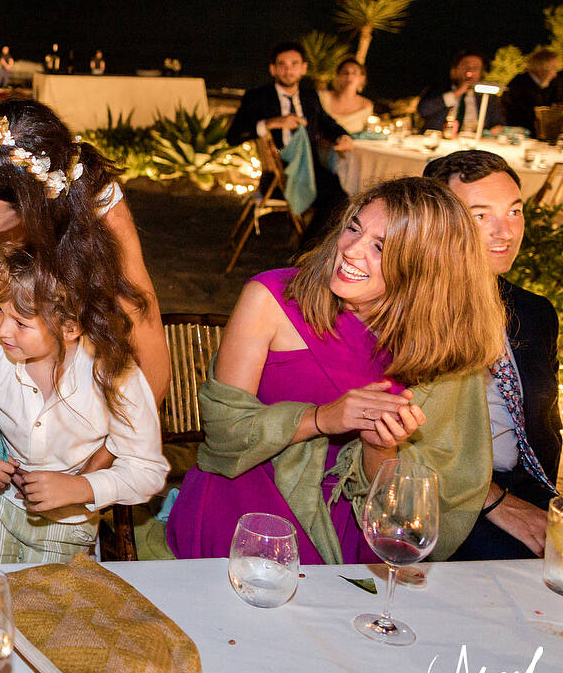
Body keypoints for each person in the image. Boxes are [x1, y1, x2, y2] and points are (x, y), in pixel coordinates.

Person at [166, 177, 502, 563]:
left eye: (380, 247)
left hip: (349, 517)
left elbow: (413, 500)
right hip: (245, 496)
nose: (352, 250)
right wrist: (323, 419)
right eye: (354, 228)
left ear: (424, 267)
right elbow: (223, 433)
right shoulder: (270, 299)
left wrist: (380, 446)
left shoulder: (437, 347)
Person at [0, 98, 169, 400]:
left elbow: (141, 317)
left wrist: (139, 438)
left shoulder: (93, 203)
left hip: (34, 319)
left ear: (32, 211)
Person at [0, 244, 166, 564]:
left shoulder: (114, 376)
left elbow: (146, 470)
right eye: (0, 310)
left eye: (21, 322)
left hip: (70, 527)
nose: (2, 329)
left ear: (70, 327)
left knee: (50, 611)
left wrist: (81, 488)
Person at [423, 150, 561, 558]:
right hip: (443, 496)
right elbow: (407, 447)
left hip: (527, 488)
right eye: (480, 216)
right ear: (438, 223)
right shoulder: (407, 311)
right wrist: (498, 502)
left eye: (514, 211)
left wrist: (538, 505)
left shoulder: (533, 312)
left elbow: (541, 426)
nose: (506, 232)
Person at [226, 41, 354, 246]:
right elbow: (233, 136)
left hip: (310, 171)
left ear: (303, 68)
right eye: (282, 64)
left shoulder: (309, 96)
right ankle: (305, 256)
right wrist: (273, 123)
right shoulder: (258, 97)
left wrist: (342, 136)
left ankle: (308, 249)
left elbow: (327, 123)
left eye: (294, 64)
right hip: (278, 176)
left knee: (341, 198)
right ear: (273, 69)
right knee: (335, 199)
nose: (288, 70)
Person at [417, 51, 488, 133]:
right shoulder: (439, 89)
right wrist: (458, 92)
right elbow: (423, 110)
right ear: (454, 70)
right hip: (441, 140)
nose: (470, 70)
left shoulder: (487, 96)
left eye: (475, 67)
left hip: (473, 141)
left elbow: (498, 123)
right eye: (465, 66)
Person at [503, 48, 562, 130]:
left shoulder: (551, 85)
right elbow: (517, 117)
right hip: (521, 136)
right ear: (541, 68)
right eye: (553, 68)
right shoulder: (518, 85)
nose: (555, 74)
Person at [319, 57, 374, 135]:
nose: (349, 76)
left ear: (361, 78)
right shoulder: (323, 97)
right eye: (345, 73)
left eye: (354, 73)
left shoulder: (366, 105)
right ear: (338, 76)